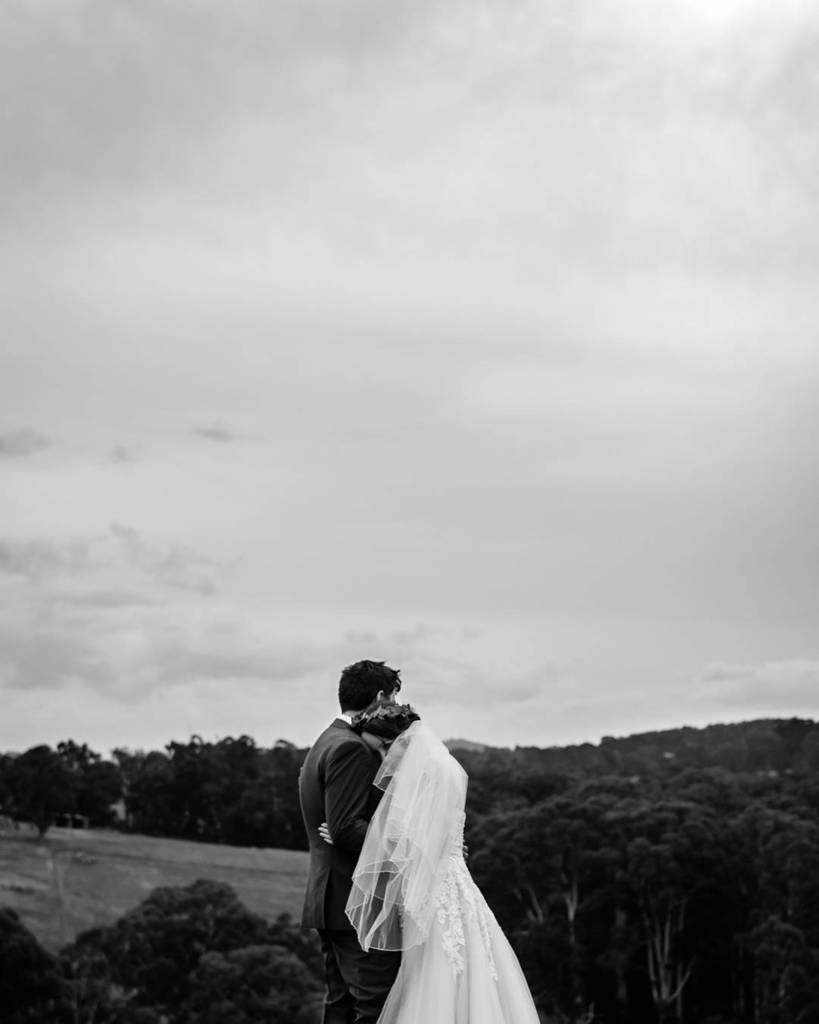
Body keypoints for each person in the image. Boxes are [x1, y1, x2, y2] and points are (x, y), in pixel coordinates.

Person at [319, 702, 541, 1024]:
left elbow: (415, 844)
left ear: (402, 739)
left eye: (384, 748)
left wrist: (347, 836)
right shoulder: (445, 766)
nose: (383, 759)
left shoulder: (424, 773)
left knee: (437, 976)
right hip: (453, 885)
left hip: (434, 893)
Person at [299, 660, 403, 1024]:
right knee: (375, 1008)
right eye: (393, 698)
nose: (394, 707)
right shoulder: (351, 748)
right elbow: (345, 828)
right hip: (355, 901)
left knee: (341, 1006)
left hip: (331, 899)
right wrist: (415, 851)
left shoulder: (326, 739)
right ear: (380, 697)